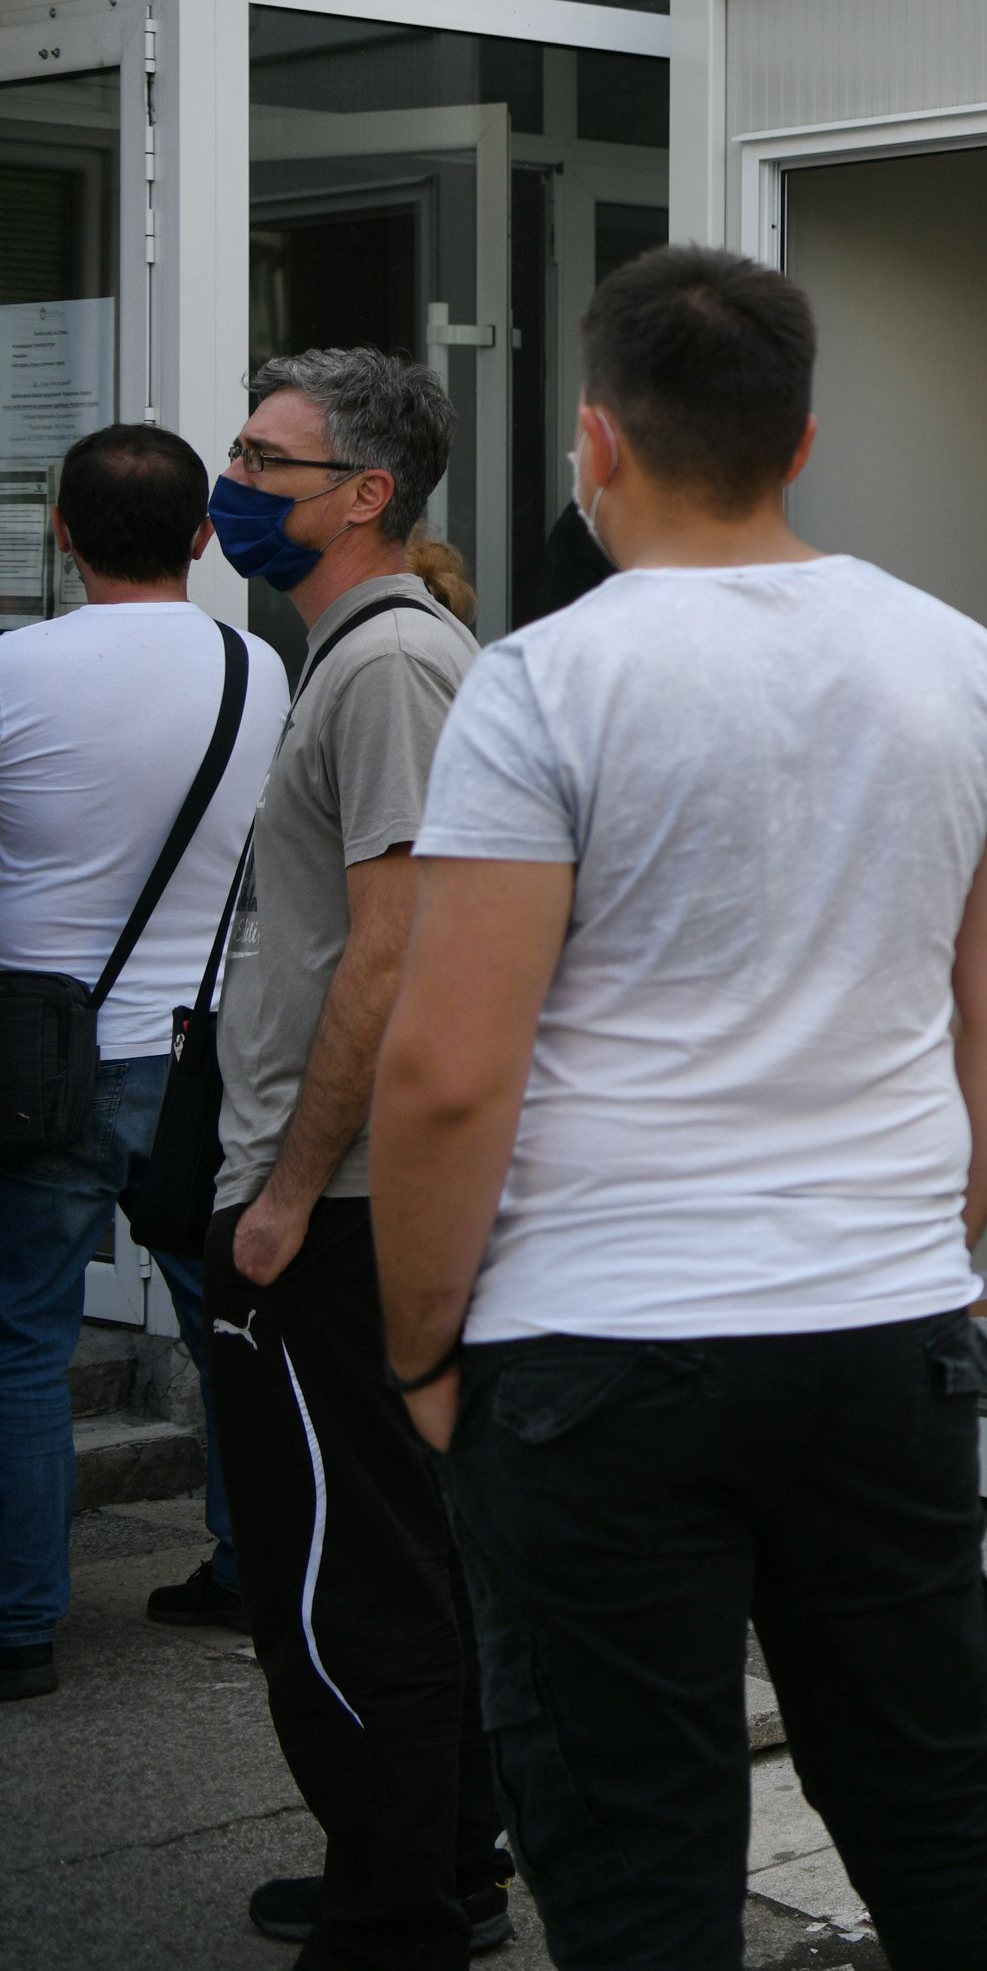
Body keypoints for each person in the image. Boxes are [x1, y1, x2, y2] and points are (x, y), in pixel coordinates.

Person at [372, 247, 987, 1964]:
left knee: (638, 1863)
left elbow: (448, 1071)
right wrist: (918, 1241)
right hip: (880, 1329)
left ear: (594, 443)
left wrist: (418, 1355)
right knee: (937, 1816)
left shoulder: (541, 683)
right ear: (802, 437)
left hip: (599, 1346)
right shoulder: (961, 663)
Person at [194, 351, 516, 1963]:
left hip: (341, 1205)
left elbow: (391, 959)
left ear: (365, 495)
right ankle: (435, 1857)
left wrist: (286, 1198)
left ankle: (400, 1910)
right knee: (392, 1547)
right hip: (342, 1193)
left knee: (343, 1571)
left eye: (265, 455)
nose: (232, 478)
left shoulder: (388, 669)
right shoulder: (358, 658)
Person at [0, 427, 282, 1697]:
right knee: (227, 1322)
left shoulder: (15, 670)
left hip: (34, 1056)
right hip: (199, 1053)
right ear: (201, 535)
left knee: (19, 1339)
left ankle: (19, 1626)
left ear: (60, 531)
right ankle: (250, 1572)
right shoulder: (256, 669)